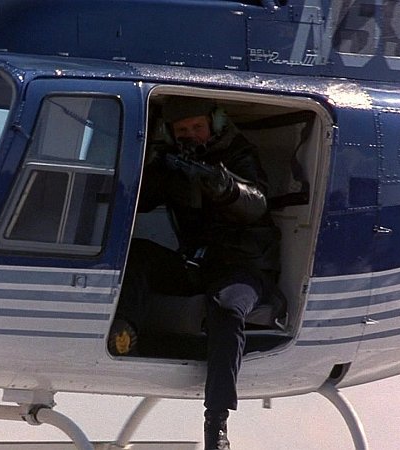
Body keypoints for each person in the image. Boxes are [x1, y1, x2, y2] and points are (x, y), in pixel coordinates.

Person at [111, 96, 281, 449]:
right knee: (138, 254)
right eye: (182, 130)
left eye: (197, 127)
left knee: (227, 308)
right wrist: (158, 166)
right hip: (198, 264)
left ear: (214, 124)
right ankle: (125, 331)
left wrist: (225, 187)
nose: (191, 135)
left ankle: (216, 420)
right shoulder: (173, 161)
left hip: (245, 269)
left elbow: (257, 203)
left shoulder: (237, 154)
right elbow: (139, 199)